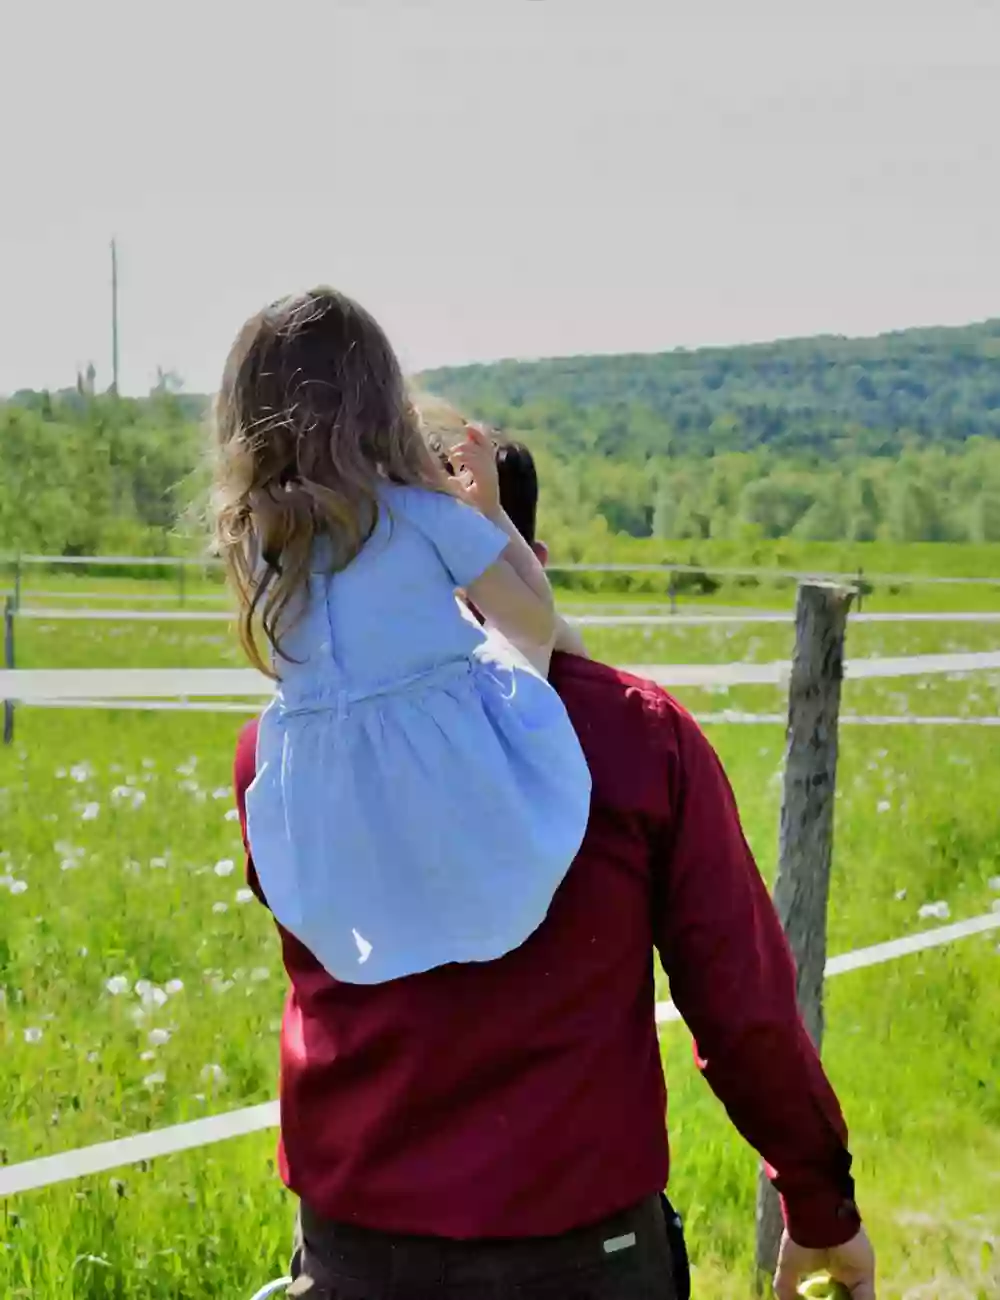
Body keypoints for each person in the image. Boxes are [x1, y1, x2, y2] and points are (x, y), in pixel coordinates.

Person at [233, 437, 877, 1300]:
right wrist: (819, 1201)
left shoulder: (277, 756)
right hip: (581, 1259)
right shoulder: (636, 738)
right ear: (526, 566)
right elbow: (741, 1004)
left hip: (358, 1257)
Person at [213, 288, 592, 987]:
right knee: (523, 656)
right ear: (381, 399)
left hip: (331, 801)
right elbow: (532, 618)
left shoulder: (262, 535)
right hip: (451, 767)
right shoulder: (420, 514)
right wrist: (488, 513)